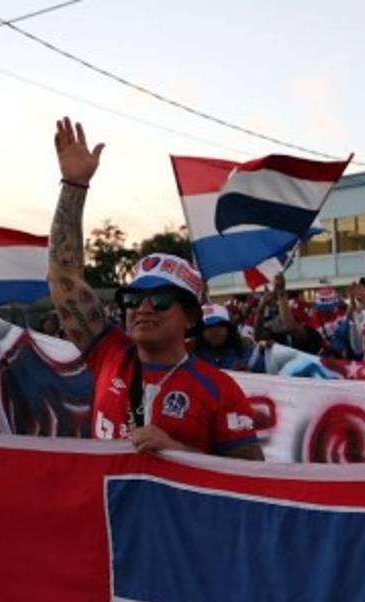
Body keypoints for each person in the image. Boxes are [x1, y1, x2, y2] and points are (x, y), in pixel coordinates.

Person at [46, 116, 262, 460]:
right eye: (133, 298)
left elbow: (249, 477)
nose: (143, 308)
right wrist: (74, 187)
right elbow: (64, 277)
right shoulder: (109, 355)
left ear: (191, 317)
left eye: (160, 299)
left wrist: (176, 451)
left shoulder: (218, 389)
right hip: (110, 513)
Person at [195, 304, 264, 372]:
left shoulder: (247, 354)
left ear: (229, 329)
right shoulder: (192, 358)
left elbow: (269, 376)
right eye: (208, 327)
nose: (215, 331)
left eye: (220, 325)